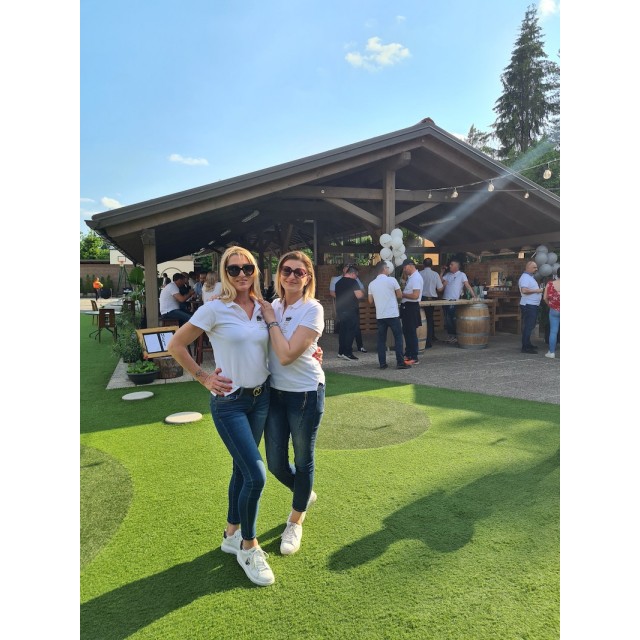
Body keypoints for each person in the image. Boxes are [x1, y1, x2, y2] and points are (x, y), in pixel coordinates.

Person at [167, 246, 275, 587]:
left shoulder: (264, 308)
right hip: (230, 403)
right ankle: (248, 547)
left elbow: (279, 345)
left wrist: (312, 352)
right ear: (225, 273)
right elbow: (176, 345)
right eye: (233, 269)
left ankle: (230, 534)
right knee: (256, 475)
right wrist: (203, 377)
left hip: (261, 399)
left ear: (255, 271)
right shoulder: (214, 308)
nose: (241, 274)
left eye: (247, 268)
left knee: (241, 471)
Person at [257, 251, 325, 556]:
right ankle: (304, 493)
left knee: (303, 459)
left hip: (305, 393)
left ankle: (295, 521)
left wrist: (271, 321)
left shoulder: (312, 308)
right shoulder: (271, 306)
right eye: (287, 270)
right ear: (279, 274)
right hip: (274, 392)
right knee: (274, 463)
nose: (292, 276)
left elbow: (285, 355)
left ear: (308, 278)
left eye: (299, 272)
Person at [368, 261, 411, 370]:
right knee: (398, 338)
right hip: (392, 314)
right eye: (387, 268)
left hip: (380, 315)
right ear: (384, 269)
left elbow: (370, 301)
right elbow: (400, 295)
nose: (389, 270)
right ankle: (400, 362)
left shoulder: (372, 284)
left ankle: (382, 363)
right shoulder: (392, 280)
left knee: (381, 340)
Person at [330, 265, 367, 352]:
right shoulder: (353, 282)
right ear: (353, 273)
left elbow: (335, 294)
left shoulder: (338, 283)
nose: (356, 277)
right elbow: (359, 295)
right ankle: (348, 352)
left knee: (343, 331)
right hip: (351, 309)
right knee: (351, 331)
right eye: (356, 275)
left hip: (340, 309)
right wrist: (362, 293)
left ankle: (341, 351)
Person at [441, 260, 477, 344]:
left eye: (451, 264)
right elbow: (439, 283)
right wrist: (442, 272)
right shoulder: (448, 275)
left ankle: (453, 336)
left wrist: (474, 296)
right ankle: (451, 336)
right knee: (446, 318)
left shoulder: (462, 275)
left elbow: (467, 285)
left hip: (454, 300)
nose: (450, 266)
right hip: (445, 299)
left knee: (450, 318)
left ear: (456, 267)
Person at [399, 258, 423, 365]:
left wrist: (402, 294)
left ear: (410, 265)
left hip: (411, 307)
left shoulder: (416, 278)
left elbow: (415, 295)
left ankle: (414, 356)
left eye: (405, 267)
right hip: (407, 307)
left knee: (411, 332)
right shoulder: (411, 277)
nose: (404, 270)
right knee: (407, 331)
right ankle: (408, 353)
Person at [518, 260, 544, 354]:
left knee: (530, 325)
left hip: (531, 304)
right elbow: (524, 290)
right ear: (528, 267)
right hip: (529, 305)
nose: (536, 269)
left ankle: (528, 344)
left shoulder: (529, 277)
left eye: (536, 267)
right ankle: (525, 347)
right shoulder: (525, 278)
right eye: (534, 267)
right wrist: (537, 291)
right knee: (528, 326)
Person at [419, 258, 444, 348]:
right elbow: (440, 289)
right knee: (429, 319)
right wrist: (444, 284)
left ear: (423, 265)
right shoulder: (435, 274)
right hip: (432, 299)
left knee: (422, 319)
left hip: (421, 298)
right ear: (432, 265)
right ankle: (429, 341)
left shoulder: (419, 274)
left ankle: (424, 339)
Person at [543, 267, 560, 358]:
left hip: (554, 310)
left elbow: (545, 298)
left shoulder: (550, 284)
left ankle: (551, 352)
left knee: (553, 331)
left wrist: (550, 305)